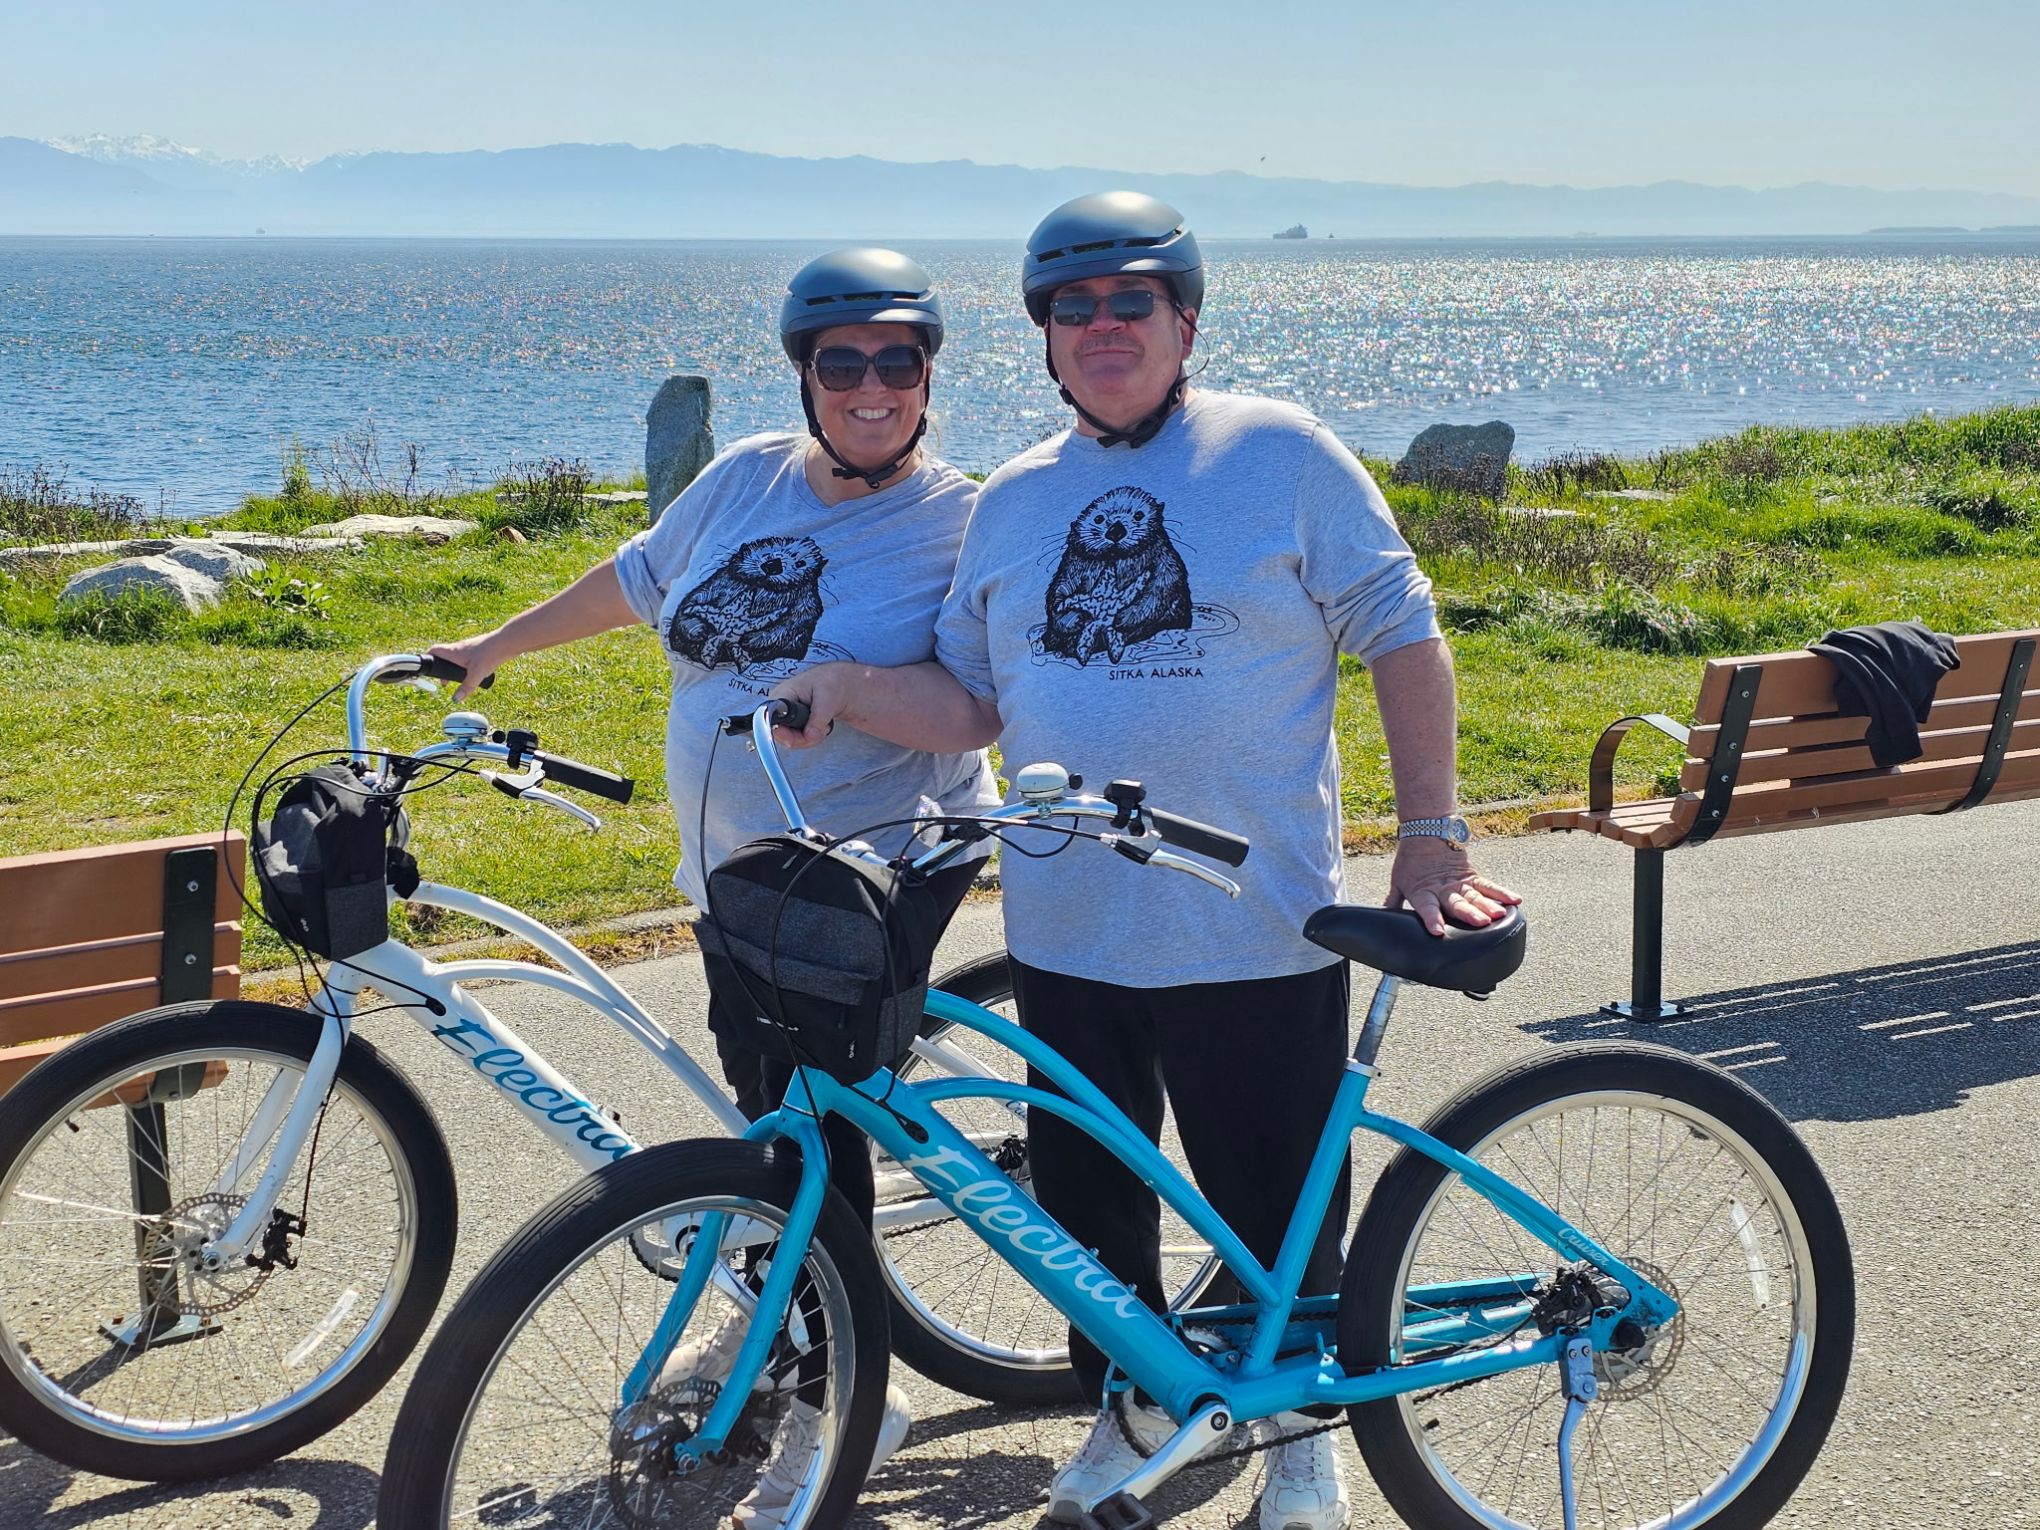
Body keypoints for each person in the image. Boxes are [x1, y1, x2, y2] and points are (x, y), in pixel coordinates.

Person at [770, 192, 1518, 1530]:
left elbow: (1403, 633)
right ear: (1046, 338)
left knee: (1271, 1213)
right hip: (1068, 931)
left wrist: (1430, 834)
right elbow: (973, 703)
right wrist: (847, 687)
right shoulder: (1017, 499)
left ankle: (1301, 1444)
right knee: (1093, 1223)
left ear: (1184, 319)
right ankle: (1135, 1404)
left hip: (1254, 925)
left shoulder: (1278, 452)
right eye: (1075, 307)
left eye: (1131, 302)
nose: (1102, 326)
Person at [428, 247, 997, 1529]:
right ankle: (803, 1332)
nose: (870, 387)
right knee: (771, 1115)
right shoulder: (744, 474)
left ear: (927, 377)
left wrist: (851, 691)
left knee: (807, 1147)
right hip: (733, 873)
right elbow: (639, 582)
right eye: (840, 362)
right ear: (804, 375)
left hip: (864, 870)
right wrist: (492, 647)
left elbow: (978, 708)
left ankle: (842, 1397)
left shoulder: (958, 522)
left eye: (895, 363)